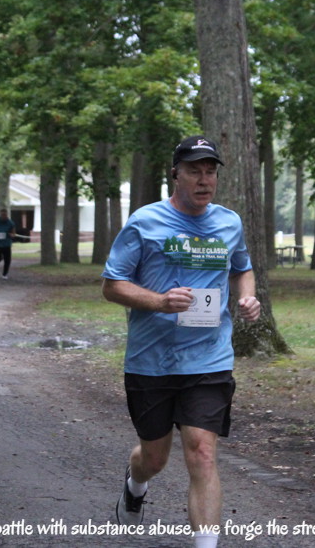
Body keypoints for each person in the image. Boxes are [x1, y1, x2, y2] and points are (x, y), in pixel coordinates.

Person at [101, 135, 262, 548]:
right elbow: (112, 285)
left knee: (202, 453)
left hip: (209, 358)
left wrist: (247, 296)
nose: (204, 180)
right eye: (194, 171)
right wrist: (159, 301)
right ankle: (136, 483)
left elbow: (242, 267)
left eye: (210, 172)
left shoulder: (228, 223)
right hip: (150, 361)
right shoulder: (145, 222)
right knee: (154, 458)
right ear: (175, 175)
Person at [0, 208, 17, 280]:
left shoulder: (10, 223)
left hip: (6, 243)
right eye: (2, 215)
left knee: (7, 259)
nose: (3, 216)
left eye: (5, 215)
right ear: (0, 215)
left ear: (7, 215)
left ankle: (5, 274)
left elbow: (13, 232)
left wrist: (12, 235)